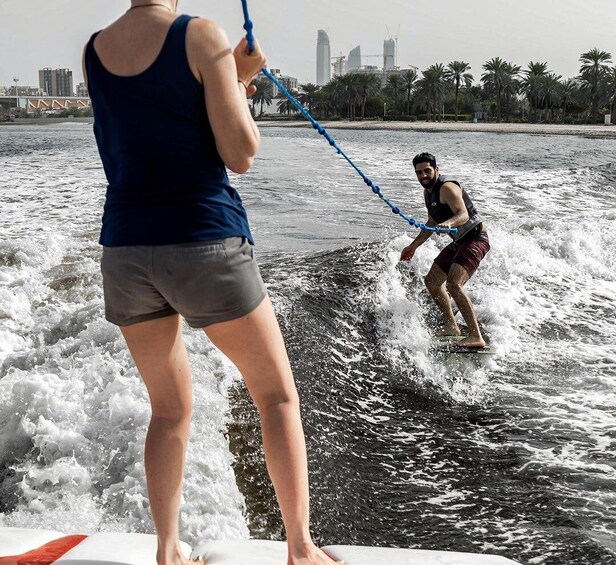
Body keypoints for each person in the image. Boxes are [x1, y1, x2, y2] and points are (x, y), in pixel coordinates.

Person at [82, 2, 340, 564]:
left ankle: (168, 550)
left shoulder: (95, 48)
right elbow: (240, 152)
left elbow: (144, 130)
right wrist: (239, 79)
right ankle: (300, 548)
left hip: (125, 250)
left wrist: (233, 76)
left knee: (169, 409)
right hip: (201, 241)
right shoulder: (200, 35)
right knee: (275, 396)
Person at [400, 153, 490, 349]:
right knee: (432, 281)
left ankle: (476, 337)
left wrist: (448, 224)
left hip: (475, 239)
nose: (423, 175)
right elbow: (431, 222)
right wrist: (413, 246)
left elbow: (463, 214)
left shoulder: (447, 187)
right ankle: (451, 326)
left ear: (436, 170)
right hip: (459, 242)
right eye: (419, 172)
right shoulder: (428, 193)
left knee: (454, 284)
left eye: (427, 171)